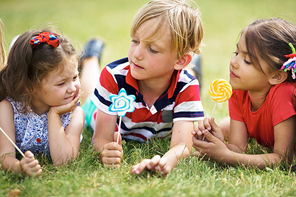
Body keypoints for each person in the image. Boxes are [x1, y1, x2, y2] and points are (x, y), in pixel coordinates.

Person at [82, 0, 204, 177]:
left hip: (178, 72)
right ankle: (90, 57)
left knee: (184, 77)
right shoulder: (113, 77)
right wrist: (104, 150)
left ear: (180, 60)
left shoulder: (187, 87)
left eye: (152, 49)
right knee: (89, 92)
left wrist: (164, 162)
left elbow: (183, 145)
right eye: (135, 41)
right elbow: (101, 137)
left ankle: (193, 66)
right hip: (99, 111)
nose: (136, 54)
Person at [192, 18, 296, 169]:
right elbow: (238, 149)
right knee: (223, 127)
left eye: (247, 60)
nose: (233, 62)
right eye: (236, 52)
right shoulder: (238, 91)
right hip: (261, 133)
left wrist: (226, 157)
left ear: (276, 76)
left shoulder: (283, 94)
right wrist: (219, 144)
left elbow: (282, 159)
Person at [0, 28, 85, 177]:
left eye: (75, 77)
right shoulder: (8, 109)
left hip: (88, 111)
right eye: (61, 83)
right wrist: (19, 167)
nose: (72, 88)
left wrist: (54, 115)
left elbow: (63, 161)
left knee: (92, 98)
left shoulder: (75, 115)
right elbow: (5, 156)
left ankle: (91, 57)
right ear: (30, 86)